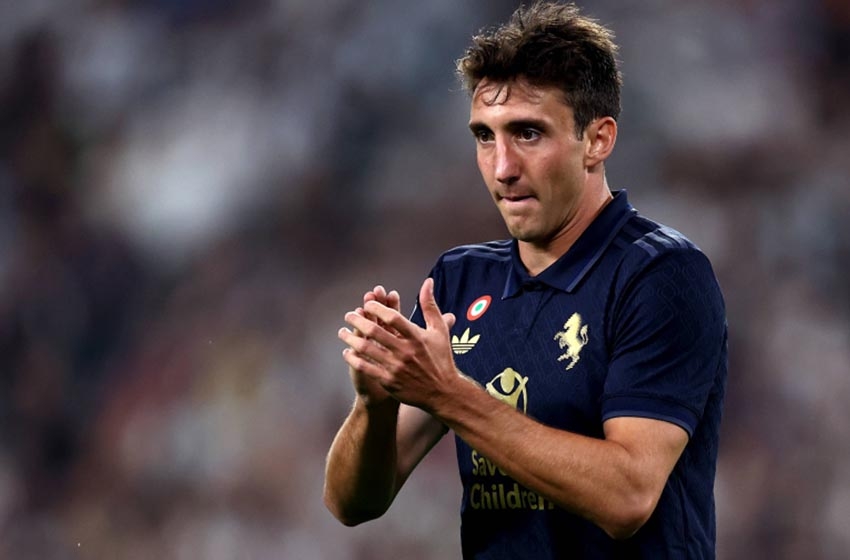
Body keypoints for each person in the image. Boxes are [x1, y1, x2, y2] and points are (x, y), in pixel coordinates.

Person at [324, 2, 728, 558]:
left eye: (528, 133)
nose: (502, 167)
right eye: (485, 136)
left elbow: (628, 496)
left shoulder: (660, 275)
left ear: (598, 140)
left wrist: (448, 394)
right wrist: (374, 405)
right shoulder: (459, 280)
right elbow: (351, 503)